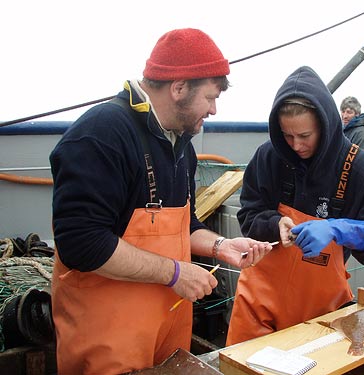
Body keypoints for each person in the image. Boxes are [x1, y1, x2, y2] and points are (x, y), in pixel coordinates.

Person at [49, 28, 272, 374]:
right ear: (179, 87)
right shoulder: (101, 133)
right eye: (210, 97)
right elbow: (82, 243)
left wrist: (221, 245)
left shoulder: (181, 145)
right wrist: (175, 273)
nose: (214, 109)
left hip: (165, 335)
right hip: (106, 341)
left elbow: (185, 226)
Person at [226, 66, 364, 345]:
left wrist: (341, 229)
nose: (296, 145)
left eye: (305, 136)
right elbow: (249, 213)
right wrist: (274, 224)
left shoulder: (358, 168)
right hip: (257, 306)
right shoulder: (268, 156)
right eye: (287, 136)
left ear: (325, 126)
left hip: (319, 315)